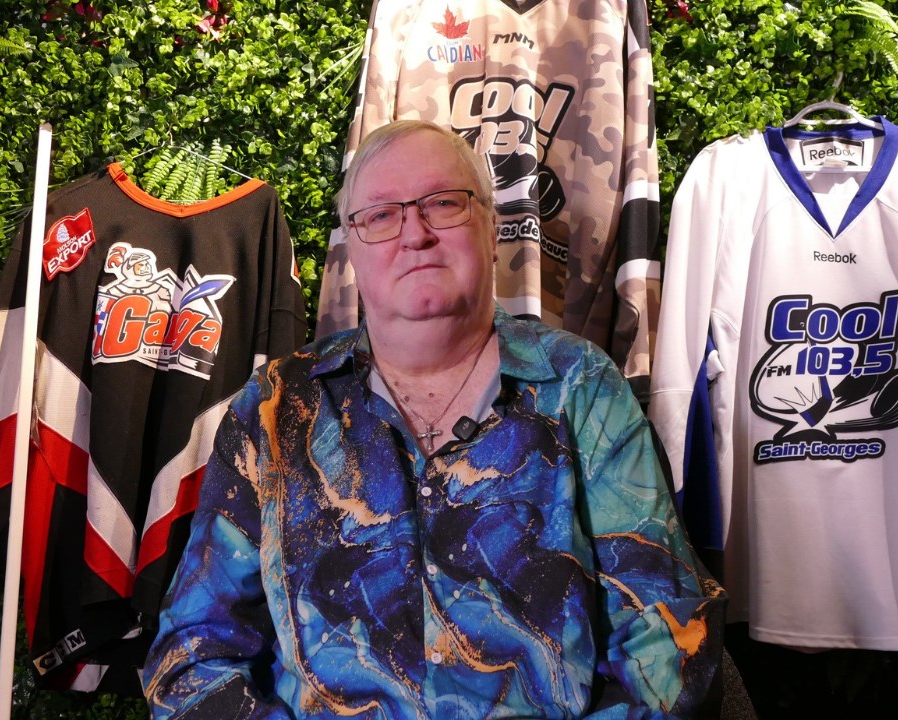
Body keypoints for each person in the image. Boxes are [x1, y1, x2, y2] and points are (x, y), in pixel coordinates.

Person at [143, 120, 726, 718]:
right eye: (381, 215)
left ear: (492, 228)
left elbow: (670, 633)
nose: (415, 234)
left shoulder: (578, 385)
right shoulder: (274, 410)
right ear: (353, 249)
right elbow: (192, 655)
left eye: (443, 203)